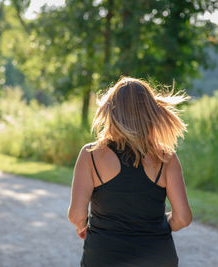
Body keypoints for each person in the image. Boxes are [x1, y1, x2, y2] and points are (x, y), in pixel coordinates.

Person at [68, 76, 193, 267]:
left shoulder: (91, 155)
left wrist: (82, 225)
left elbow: (76, 215)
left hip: (104, 257)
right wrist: (159, 224)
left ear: (110, 111)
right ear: (150, 112)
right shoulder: (166, 157)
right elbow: (183, 218)